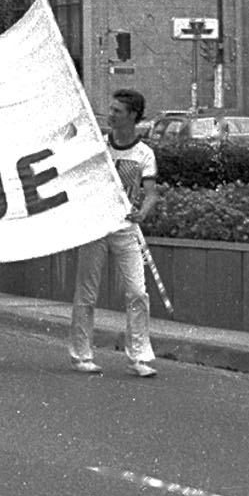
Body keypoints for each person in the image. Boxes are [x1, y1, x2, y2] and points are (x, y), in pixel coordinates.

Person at [70, 88, 162, 378]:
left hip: (125, 227)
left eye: (117, 111)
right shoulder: (99, 147)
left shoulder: (144, 153)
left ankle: (139, 357)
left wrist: (143, 213)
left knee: (137, 291)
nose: (110, 115)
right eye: (109, 110)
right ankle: (81, 355)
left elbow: (151, 194)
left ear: (133, 115)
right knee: (87, 292)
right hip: (96, 226)